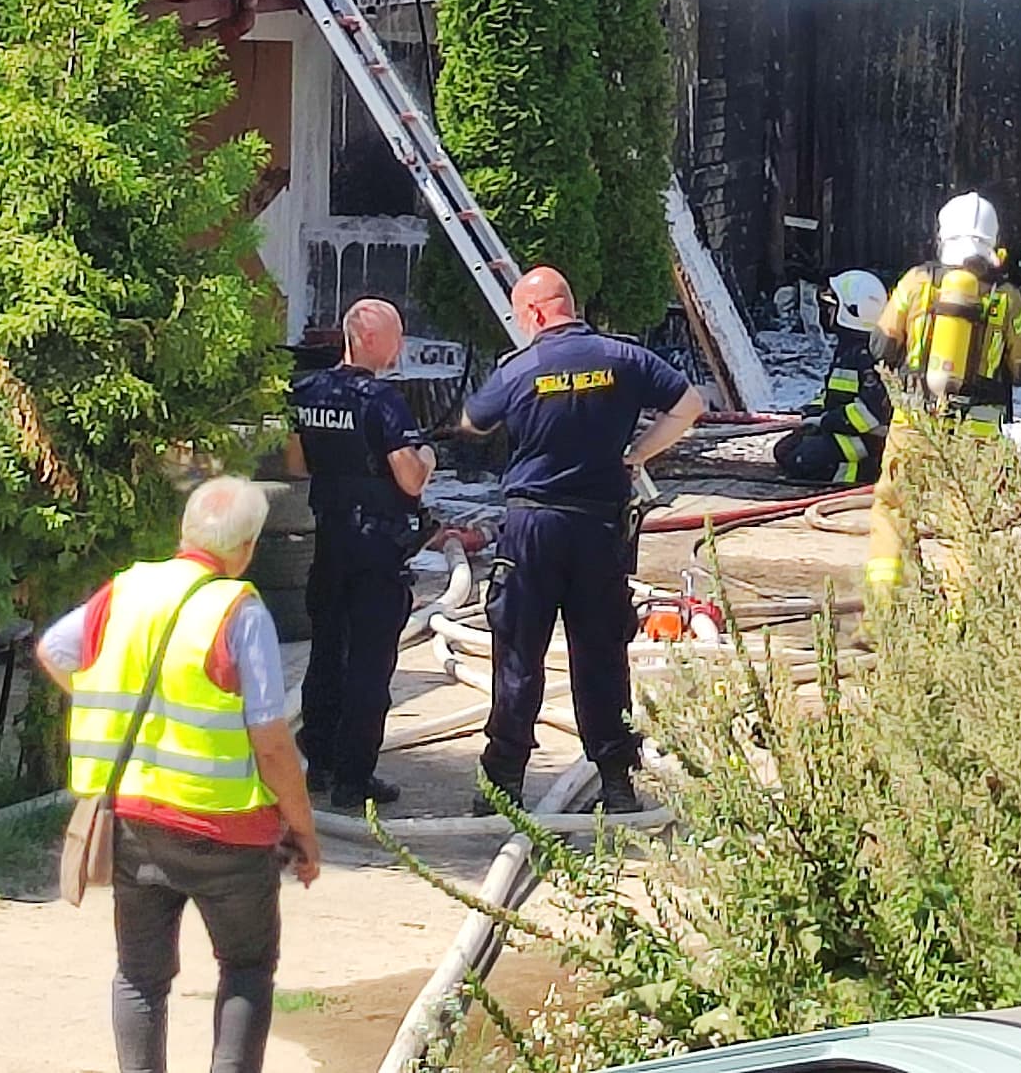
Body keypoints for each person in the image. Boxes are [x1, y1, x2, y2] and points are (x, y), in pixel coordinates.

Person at [36, 475, 325, 1073]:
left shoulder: (124, 592)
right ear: (246, 548)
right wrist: (304, 829)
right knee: (245, 966)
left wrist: (110, 707)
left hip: (135, 822)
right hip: (228, 834)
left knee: (140, 977)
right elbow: (271, 742)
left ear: (184, 533)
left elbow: (55, 651)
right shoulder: (239, 611)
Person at [452, 262, 702, 811]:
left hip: (533, 526)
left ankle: (504, 783)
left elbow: (473, 422)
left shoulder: (522, 367)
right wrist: (636, 454)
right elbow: (691, 406)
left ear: (536, 312)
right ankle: (615, 780)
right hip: (599, 526)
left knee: (519, 651)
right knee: (601, 654)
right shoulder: (625, 357)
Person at [284, 297, 433, 811]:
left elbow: (298, 461)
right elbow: (409, 479)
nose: (401, 346)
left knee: (327, 651)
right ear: (370, 339)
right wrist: (428, 457)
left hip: (329, 540)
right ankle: (354, 776)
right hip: (376, 547)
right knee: (370, 662)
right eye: (396, 336)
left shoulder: (307, 391)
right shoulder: (383, 400)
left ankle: (318, 762)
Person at [879, 192, 1021, 425]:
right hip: (978, 431)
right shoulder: (1007, 296)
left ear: (943, 235)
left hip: (915, 424)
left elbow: (881, 347)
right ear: (993, 238)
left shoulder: (914, 281)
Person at [772, 270, 891, 487]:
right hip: (843, 430)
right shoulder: (848, 348)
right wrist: (812, 412)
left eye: (833, 305)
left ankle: (866, 472)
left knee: (803, 461)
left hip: (867, 440)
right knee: (784, 451)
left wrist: (827, 421)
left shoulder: (870, 355)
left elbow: (870, 414)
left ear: (851, 311)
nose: (827, 311)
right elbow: (832, 393)